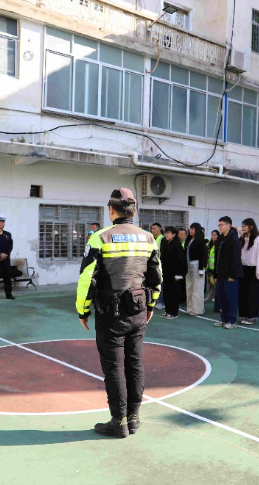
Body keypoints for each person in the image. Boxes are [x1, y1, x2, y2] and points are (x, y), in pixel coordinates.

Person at [76, 188, 162, 438]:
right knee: (135, 363)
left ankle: (119, 421)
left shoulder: (100, 238)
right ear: (133, 211)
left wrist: (82, 310)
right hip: (138, 310)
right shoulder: (148, 238)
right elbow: (156, 277)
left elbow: (87, 278)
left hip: (110, 314)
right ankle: (133, 418)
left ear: (111, 210)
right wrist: (151, 305)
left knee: (114, 366)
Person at [214, 216, 242, 329]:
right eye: (219, 225)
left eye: (222, 225)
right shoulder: (221, 239)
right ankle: (224, 318)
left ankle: (232, 320)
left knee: (231, 298)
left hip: (230, 275)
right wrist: (216, 274)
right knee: (222, 298)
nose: (220, 227)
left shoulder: (233, 239)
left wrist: (232, 275)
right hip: (220, 274)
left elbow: (236, 258)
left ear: (228, 225)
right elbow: (217, 257)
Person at [238, 218, 259, 325]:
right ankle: (243, 314)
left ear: (251, 226)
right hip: (243, 268)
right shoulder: (242, 239)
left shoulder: (258, 239)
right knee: (243, 293)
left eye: (245, 226)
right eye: (242, 226)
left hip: (253, 269)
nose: (243, 228)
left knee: (252, 294)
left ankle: (252, 316)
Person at [159, 227, 186, 320]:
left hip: (175, 274)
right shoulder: (165, 243)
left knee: (173, 293)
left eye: (168, 233)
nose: (166, 235)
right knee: (166, 292)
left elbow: (181, 261)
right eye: (166, 233)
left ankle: (174, 312)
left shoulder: (177, 245)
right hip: (166, 272)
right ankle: (168, 311)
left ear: (174, 234)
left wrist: (179, 274)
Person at [185, 223, 207, 316]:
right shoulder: (189, 240)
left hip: (197, 265)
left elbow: (203, 256)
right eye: (190, 228)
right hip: (189, 265)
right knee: (189, 288)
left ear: (197, 230)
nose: (191, 230)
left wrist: (201, 269)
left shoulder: (201, 241)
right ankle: (190, 308)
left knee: (197, 289)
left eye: (193, 229)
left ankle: (197, 310)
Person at [150, 223, 165, 310]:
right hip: (154, 264)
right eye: (152, 229)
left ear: (159, 229)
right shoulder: (154, 239)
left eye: (154, 228)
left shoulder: (162, 239)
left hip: (160, 265)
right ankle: (157, 301)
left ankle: (161, 302)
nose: (153, 230)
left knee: (160, 284)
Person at [206, 230, 219, 303]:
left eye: (215, 235)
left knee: (215, 284)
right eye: (212, 235)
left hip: (215, 268)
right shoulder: (208, 244)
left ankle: (216, 297)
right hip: (208, 267)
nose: (213, 236)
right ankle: (210, 297)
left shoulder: (218, 245)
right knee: (209, 283)